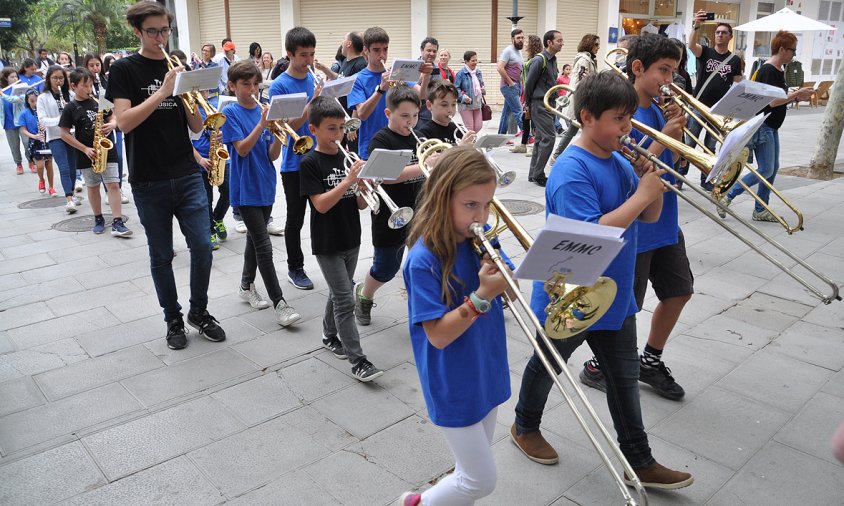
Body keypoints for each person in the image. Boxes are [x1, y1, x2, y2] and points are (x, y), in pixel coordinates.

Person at [511, 70, 694, 490]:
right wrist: (642, 195)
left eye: (629, 119)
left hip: (614, 292)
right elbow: (590, 235)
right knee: (548, 365)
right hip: (571, 294)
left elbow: (646, 217)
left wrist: (651, 187)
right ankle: (524, 426)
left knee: (625, 378)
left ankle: (640, 459)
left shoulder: (617, 160)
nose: (626, 129)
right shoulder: (572, 169)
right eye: (618, 120)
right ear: (588, 117)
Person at [579, 33, 691, 402]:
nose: (669, 80)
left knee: (679, 292)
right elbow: (627, 163)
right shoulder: (624, 111)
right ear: (638, 67)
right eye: (664, 70)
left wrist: (681, 141)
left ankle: (651, 360)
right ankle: (598, 365)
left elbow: (674, 167)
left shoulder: (662, 107)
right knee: (628, 306)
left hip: (665, 219)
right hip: (638, 227)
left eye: (674, 71)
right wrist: (664, 139)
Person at [107, 1, 226, 350]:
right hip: (148, 177)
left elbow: (194, 125)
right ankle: (173, 318)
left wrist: (192, 97)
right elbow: (125, 123)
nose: (160, 37)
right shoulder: (125, 70)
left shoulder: (180, 68)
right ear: (137, 31)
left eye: (164, 30)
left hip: (186, 172)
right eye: (152, 31)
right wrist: (163, 91)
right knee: (161, 255)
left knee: (203, 247)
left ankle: (199, 311)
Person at [397, 147, 512, 506]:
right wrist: (481, 296)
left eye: (488, 204)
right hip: (453, 382)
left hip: (486, 368)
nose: (482, 216)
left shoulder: (480, 238)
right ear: (442, 198)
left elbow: (511, 285)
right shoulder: (423, 260)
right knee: (480, 480)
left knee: (468, 475)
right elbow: (439, 335)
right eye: (470, 205)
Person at [300, 96, 384, 381]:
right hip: (327, 242)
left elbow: (360, 205)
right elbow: (320, 205)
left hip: (351, 236)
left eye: (341, 129)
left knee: (341, 291)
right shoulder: (310, 162)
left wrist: (363, 185)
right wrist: (348, 181)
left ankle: (328, 334)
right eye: (331, 129)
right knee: (345, 300)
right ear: (314, 130)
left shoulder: (347, 157)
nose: (338, 135)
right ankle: (358, 360)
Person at [222, 60, 302, 326]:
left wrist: (279, 133)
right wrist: (262, 124)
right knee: (264, 246)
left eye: (256, 84)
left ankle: (246, 286)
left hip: (266, 184)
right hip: (245, 188)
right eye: (246, 85)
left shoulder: (263, 111)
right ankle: (280, 303)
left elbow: (272, 155)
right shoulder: (231, 112)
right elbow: (242, 149)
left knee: (253, 243)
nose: (253, 89)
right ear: (232, 86)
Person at [718, 31, 814, 222]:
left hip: (771, 126)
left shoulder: (777, 70)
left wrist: (795, 94)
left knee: (772, 168)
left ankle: (760, 208)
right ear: (782, 50)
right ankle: (727, 195)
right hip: (765, 126)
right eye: (792, 51)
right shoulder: (769, 70)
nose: (794, 55)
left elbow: (777, 96)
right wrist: (796, 95)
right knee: (766, 170)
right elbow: (771, 101)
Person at [354, 85, 425, 326]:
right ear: (388, 114)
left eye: (415, 115)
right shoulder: (381, 140)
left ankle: (421, 309)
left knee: (421, 264)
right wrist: (426, 165)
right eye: (404, 116)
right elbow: (385, 176)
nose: (411, 121)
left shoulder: (420, 138)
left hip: (419, 212)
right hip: (389, 213)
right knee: (386, 267)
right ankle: (365, 295)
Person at [268, 26, 324, 291]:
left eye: (312, 54)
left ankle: (329, 263)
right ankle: (295, 267)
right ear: (289, 54)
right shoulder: (279, 85)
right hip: (294, 161)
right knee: (295, 218)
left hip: (320, 156)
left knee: (323, 215)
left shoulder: (313, 79)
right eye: (303, 55)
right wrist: (311, 103)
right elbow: (283, 126)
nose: (309, 61)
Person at [59, 67, 132, 237]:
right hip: (87, 153)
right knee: (92, 187)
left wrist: (113, 124)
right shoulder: (70, 107)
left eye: (90, 85)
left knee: (113, 184)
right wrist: (84, 149)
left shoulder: (100, 100)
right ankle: (98, 218)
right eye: (84, 86)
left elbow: (114, 116)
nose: (88, 89)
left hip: (107, 148)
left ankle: (117, 221)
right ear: (73, 86)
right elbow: (63, 133)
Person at [688, 12, 742, 190]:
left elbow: (737, 85)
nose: (719, 35)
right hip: (699, 105)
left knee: (710, 146)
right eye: (717, 32)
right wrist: (696, 25)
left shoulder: (734, 60)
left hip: (718, 110)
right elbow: (691, 45)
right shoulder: (706, 52)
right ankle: (679, 176)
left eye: (723, 33)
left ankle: (706, 179)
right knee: (689, 142)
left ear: (730, 36)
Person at [191, 89, 230, 250]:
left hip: (219, 157)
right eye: (201, 89)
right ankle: (209, 231)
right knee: (206, 199)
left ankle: (218, 217)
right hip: (202, 160)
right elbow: (186, 140)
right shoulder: (191, 110)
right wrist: (200, 159)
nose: (205, 91)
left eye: (206, 88)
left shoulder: (215, 106)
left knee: (229, 192)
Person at [524, 30, 563, 187]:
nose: (562, 43)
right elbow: (528, 85)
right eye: (559, 40)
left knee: (541, 139)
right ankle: (539, 174)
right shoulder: (540, 60)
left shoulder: (553, 60)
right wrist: (529, 105)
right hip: (539, 104)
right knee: (549, 138)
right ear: (549, 43)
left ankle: (533, 173)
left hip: (549, 104)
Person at [552, 33, 600, 162]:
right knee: (574, 130)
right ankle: (557, 156)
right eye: (596, 44)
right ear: (589, 44)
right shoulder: (584, 59)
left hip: (585, 99)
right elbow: (581, 80)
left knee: (580, 130)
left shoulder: (589, 58)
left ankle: (560, 155)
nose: (598, 47)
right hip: (582, 100)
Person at [37, 66, 78, 212]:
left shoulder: (71, 95)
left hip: (72, 136)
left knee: (73, 168)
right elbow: (42, 120)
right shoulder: (42, 98)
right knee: (64, 168)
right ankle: (68, 199)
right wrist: (60, 119)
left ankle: (72, 194)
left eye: (61, 78)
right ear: (49, 79)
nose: (58, 81)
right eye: (55, 78)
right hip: (56, 136)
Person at [348, 26, 391, 160]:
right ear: (366, 50)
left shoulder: (393, 74)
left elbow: (421, 95)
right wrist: (380, 90)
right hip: (371, 146)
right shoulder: (357, 79)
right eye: (376, 50)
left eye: (385, 49)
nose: (382, 55)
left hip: (395, 142)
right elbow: (362, 114)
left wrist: (425, 76)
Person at [417, 81, 476, 146]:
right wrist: (460, 148)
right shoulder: (425, 132)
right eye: (444, 105)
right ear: (429, 105)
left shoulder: (458, 129)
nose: (450, 110)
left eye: (453, 104)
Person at [19, 89, 55, 195]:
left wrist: (46, 125)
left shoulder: (44, 111)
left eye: (36, 101)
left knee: (49, 163)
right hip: (35, 142)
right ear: (27, 101)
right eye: (32, 101)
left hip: (47, 139)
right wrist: (34, 136)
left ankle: (51, 187)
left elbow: (52, 122)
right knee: (40, 165)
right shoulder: (24, 113)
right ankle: (41, 180)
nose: (34, 104)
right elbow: (23, 130)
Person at [511, 34, 543, 155]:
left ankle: (534, 147)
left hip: (532, 94)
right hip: (526, 92)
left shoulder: (536, 59)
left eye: (527, 42)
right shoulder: (530, 58)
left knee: (533, 120)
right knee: (526, 119)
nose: (524, 43)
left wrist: (528, 96)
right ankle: (523, 145)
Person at [497, 29, 524, 135]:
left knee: (506, 113)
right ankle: (529, 136)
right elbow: (500, 67)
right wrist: (511, 83)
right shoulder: (508, 51)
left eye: (522, 37)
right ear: (513, 39)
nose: (521, 40)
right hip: (509, 87)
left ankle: (501, 136)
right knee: (518, 111)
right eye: (518, 38)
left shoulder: (519, 51)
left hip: (516, 86)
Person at [1, 68, 29, 175]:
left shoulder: (20, 88)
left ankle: (31, 161)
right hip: (8, 122)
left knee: (27, 142)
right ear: (5, 78)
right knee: (14, 145)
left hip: (21, 121)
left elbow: (16, 99)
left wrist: (2, 95)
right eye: (11, 77)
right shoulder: (2, 89)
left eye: (16, 76)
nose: (15, 79)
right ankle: (18, 164)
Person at [453, 51, 486, 134]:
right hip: (465, 105)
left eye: (476, 60)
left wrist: (483, 89)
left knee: (478, 126)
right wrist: (463, 97)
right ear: (466, 61)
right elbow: (456, 88)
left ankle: (470, 142)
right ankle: (470, 145)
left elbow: (481, 84)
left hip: (477, 104)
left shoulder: (478, 72)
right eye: (472, 61)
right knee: (470, 128)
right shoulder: (461, 74)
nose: (475, 62)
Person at [415, 36, 439, 128]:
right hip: (419, 115)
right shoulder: (413, 67)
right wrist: (423, 76)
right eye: (429, 50)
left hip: (434, 115)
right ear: (422, 50)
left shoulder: (437, 69)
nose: (432, 53)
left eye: (434, 51)